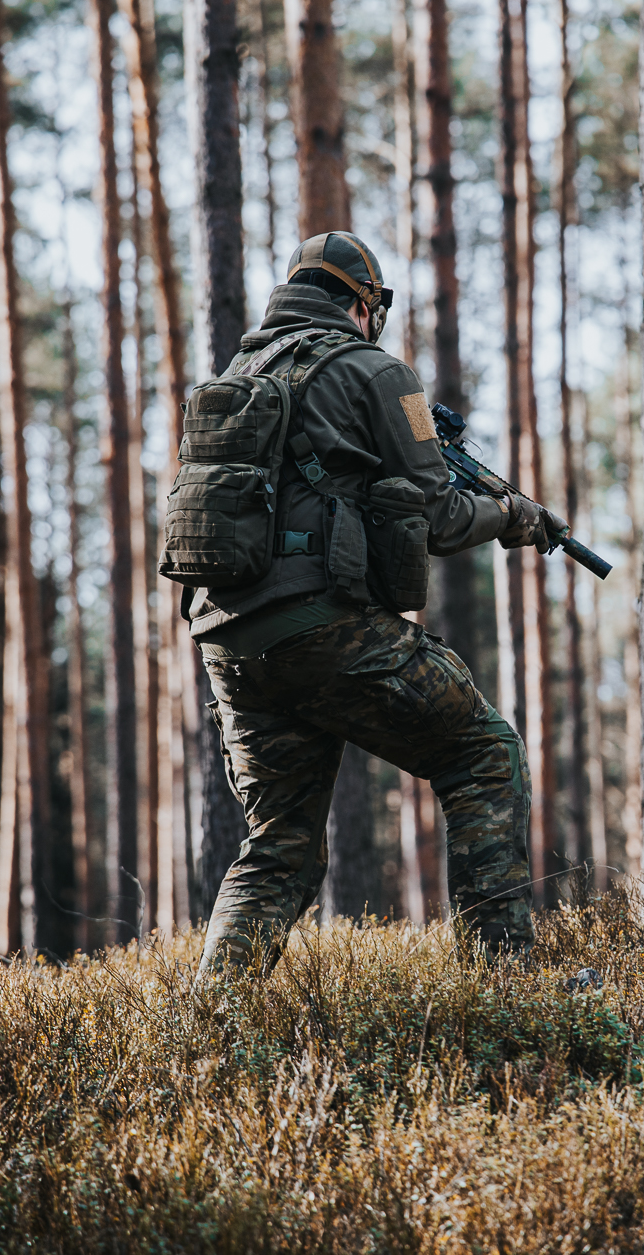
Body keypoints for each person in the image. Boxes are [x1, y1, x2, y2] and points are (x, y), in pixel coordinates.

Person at [184, 231, 558, 978]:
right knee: (484, 753)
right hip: (326, 629)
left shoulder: (236, 376)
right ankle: (507, 986)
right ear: (362, 303)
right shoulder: (375, 372)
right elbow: (443, 517)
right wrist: (514, 515)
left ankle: (208, 1029)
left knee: (278, 844)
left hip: (230, 644)